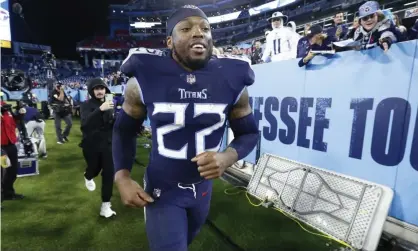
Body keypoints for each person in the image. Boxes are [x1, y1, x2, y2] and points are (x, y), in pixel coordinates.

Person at [113, 5, 259, 251]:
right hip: (162, 190)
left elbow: (249, 133)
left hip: (202, 190)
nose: (198, 33)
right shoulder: (143, 79)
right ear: (170, 41)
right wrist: (122, 177)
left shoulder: (232, 79)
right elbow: (123, 130)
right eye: (186, 28)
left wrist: (226, 157)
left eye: (205, 28)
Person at [80, 78, 116, 218]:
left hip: (108, 145)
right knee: (94, 169)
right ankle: (88, 176)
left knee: (108, 174)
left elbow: (111, 123)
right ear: (91, 91)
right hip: (91, 145)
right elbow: (85, 124)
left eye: (102, 88)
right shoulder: (86, 105)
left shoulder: (110, 103)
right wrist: (100, 110)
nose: (100, 91)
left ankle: (105, 206)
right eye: (96, 89)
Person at [1, 92, 26, 201]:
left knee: (12, 171)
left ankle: (8, 193)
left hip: (11, 144)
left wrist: (20, 115)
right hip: (1, 147)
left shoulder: (6, 108)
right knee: (3, 170)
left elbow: (14, 121)